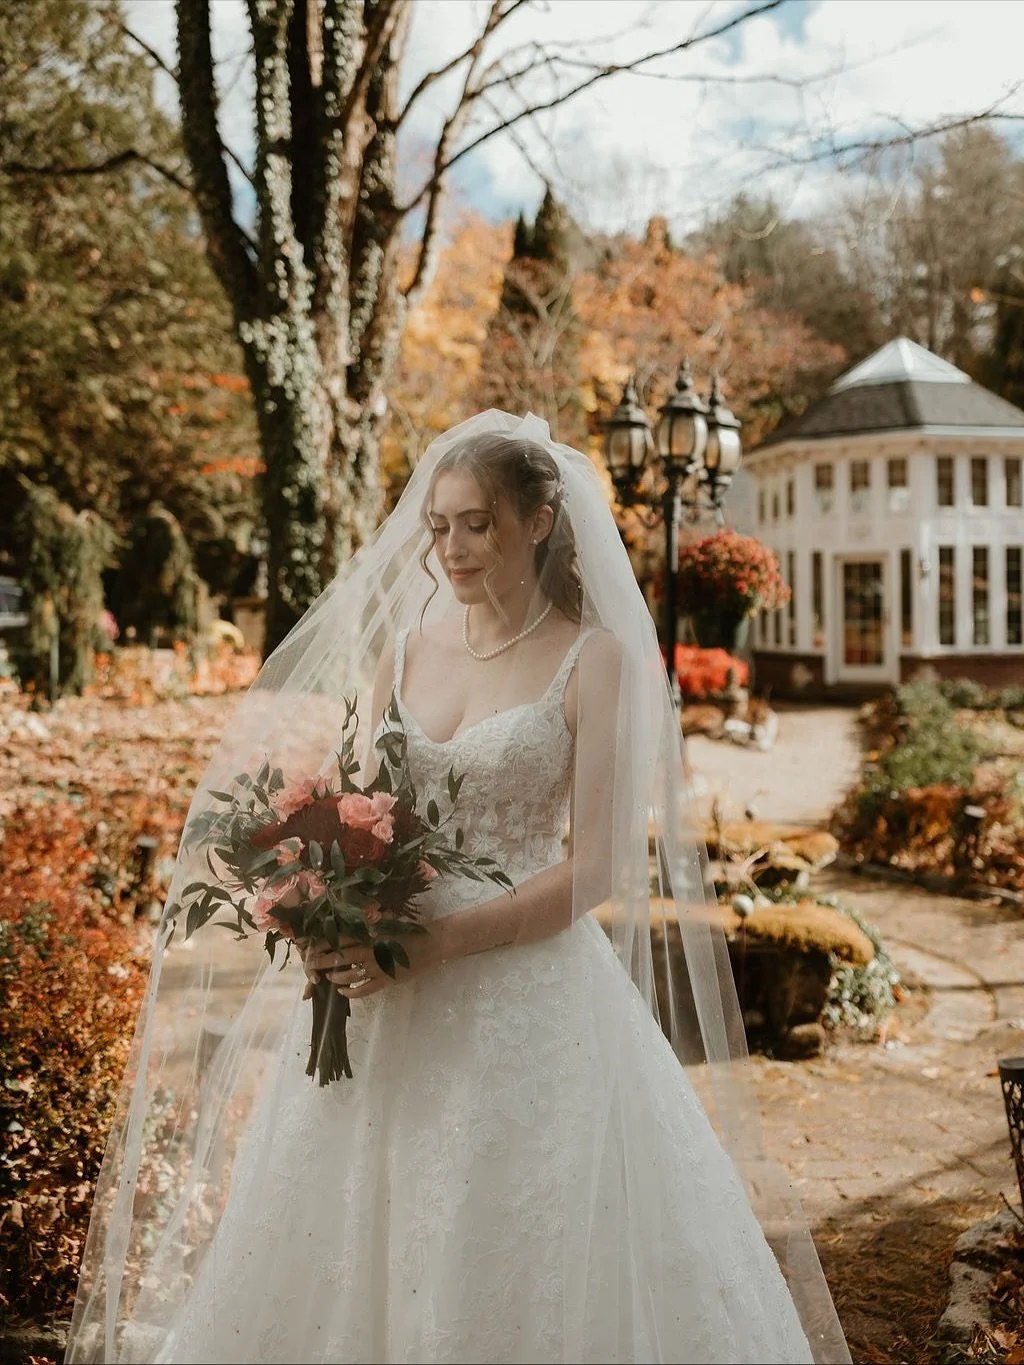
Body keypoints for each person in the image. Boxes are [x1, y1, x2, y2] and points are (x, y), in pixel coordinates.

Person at [66, 412, 849, 1364]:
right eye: (439, 526)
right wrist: (314, 900)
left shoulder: (593, 659)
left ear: (540, 519)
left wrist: (438, 943)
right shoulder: (405, 647)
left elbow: (594, 867)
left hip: (525, 999)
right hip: (374, 993)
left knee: (504, 1232)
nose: (451, 547)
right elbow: (347, 804)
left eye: (476, 523)